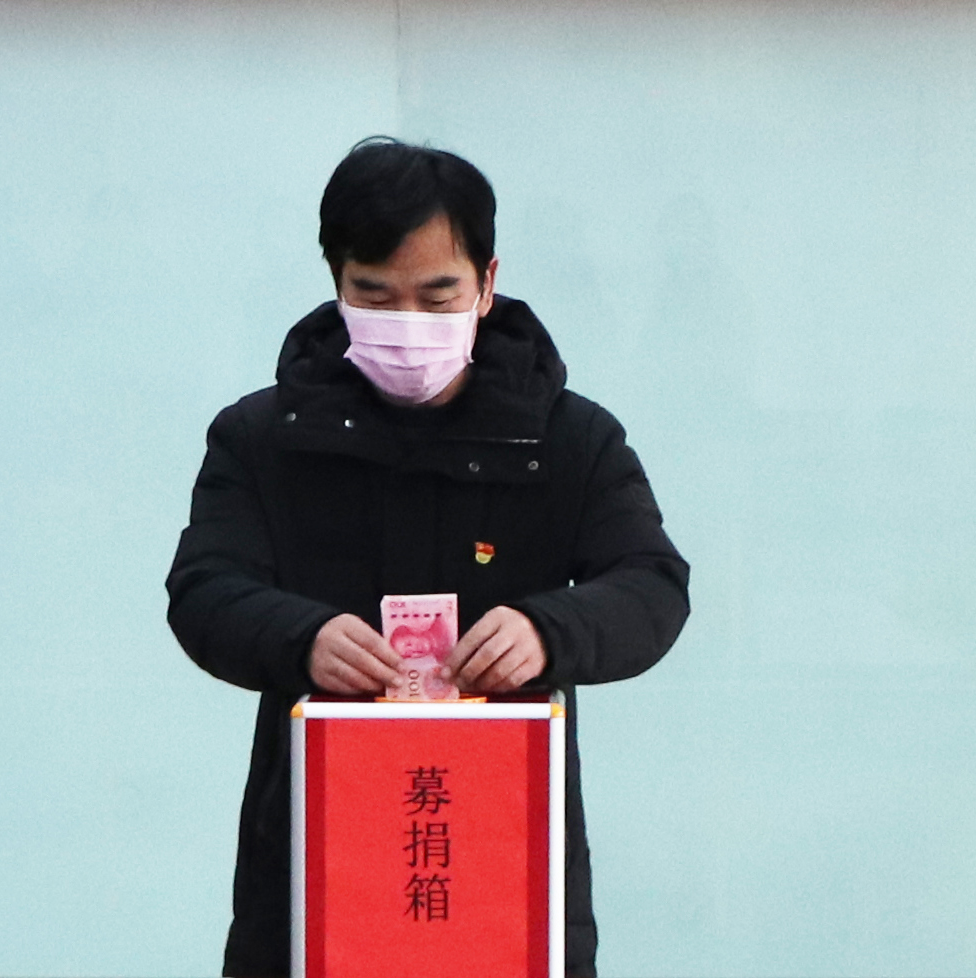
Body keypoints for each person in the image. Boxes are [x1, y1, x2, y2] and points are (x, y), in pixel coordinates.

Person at [165, 137, 690, 978]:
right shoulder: (263, 438)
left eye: (438, 294)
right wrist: (302, 638)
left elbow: (653, 585)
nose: (407, 323)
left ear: (487, 282)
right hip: (311, 852)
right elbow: (203, 590)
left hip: (507, 850)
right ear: (337, 283)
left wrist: (548, 631)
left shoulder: (566, 439)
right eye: (375, 295)